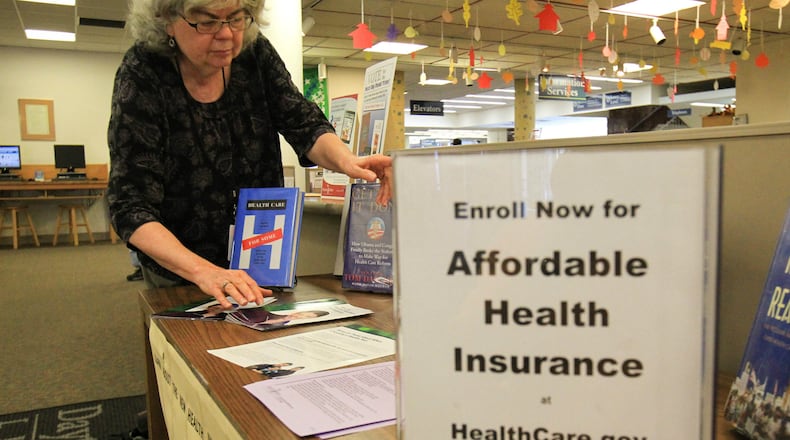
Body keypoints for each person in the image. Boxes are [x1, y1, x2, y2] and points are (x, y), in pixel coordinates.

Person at [107, 0, 392, 310]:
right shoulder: (142, 71)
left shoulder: (254, 53)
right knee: (193, 338)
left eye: (236, 19)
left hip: (261, 253)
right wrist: (204, 271)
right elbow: (130, 205)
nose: (226, 34)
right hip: (182, 268)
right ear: (166, 21)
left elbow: (303, 122)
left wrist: (347, 161)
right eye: (207, 22)